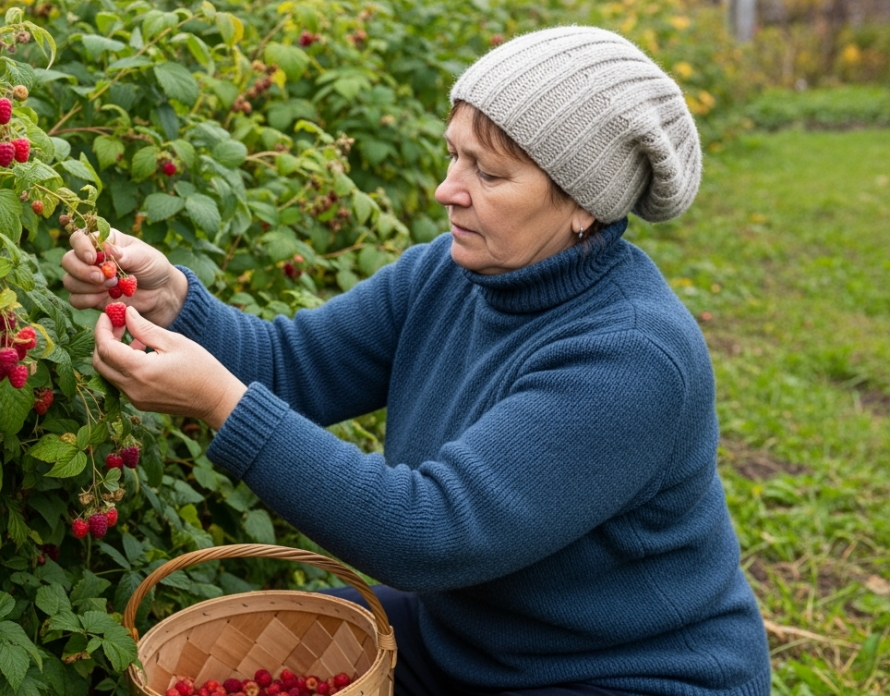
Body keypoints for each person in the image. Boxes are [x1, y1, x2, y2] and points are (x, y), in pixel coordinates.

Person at [60, 26, 770, 696]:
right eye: (454, 154)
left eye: (488, 173)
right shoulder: (451, 271)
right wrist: (174, 299)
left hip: (623, 674)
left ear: (583, 205)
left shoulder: (633, 357)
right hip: (476, 641)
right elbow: (295, 364)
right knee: (280, 652)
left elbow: (428, 533)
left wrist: (224, 405)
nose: (448, 190)